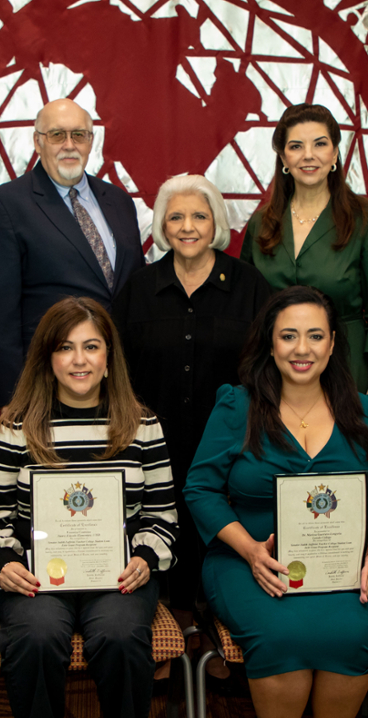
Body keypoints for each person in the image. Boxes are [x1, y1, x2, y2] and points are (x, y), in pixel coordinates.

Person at [184, 285, 368, 718]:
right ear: (270, 345)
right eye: (288, 336)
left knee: (352, 630)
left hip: (348, 562)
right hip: (248, 559)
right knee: (280, 633)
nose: (301, 348)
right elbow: (202, 489)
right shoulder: (237, 405)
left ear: (333, 346)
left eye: (314, 335)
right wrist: (250, 549)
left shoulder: (363, 408)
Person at [0, 297, 177, 718]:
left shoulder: (143, 424)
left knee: (118, 636)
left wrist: (146, 555)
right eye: (65, 347)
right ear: (47, 358)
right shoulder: (16, 426)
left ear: (110, 359)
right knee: (36, 638)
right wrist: (6, 563)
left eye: (91, 346)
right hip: (37, 579)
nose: (79, 360)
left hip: (120, 577)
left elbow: (163, 516)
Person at [113, 174, 272, 619]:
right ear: (162, 226)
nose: (188, 226)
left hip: (229, 442)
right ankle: (166, 625)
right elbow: (118, 367)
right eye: (176, 216)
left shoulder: (249, 286)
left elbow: (265, 365)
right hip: (151, 441)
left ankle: (213, 627)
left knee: (217, 529)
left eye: (199, 216)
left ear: (217, 223)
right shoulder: (138, 289)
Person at [0, 98, 145, 408]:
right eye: (56, 135)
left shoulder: (118, 201)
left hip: (120, 382)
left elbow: (130, 289)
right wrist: (15, 400)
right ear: (37, 142)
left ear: (91, 141)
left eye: (78, 135)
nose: (69, 145)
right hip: (44, 388)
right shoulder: (6, 206)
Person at [240, 103, 368, 406]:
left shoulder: (366, 219)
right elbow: (245, 306)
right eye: (296, 146)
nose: (308, 155)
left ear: (335, 154)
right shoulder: (262, 223)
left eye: (320, 144)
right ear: (284, 158)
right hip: (274, 377)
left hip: (349, 374)